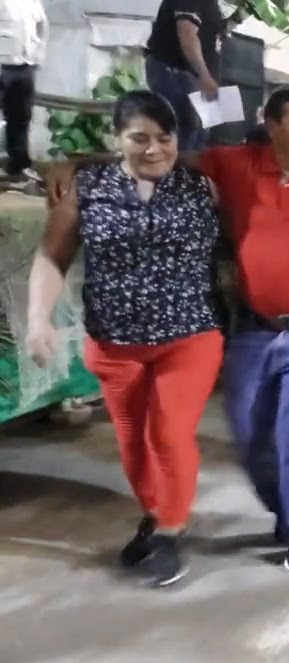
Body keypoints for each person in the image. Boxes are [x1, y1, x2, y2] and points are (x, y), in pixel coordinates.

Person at [25, 91, 223, 587]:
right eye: (138, 138)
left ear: (178, 140)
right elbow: (53, 257)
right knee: (134, 445)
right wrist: (37, 320)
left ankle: (172, 533)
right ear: (118, 140)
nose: (153, 148)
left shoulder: (205, 186)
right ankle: (155, 515)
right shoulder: (86, 187)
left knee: (169, 434)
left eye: (164, 137)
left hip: (190, 335)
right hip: (113, 342)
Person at [144, 0, 224, 151]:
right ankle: (175, 171)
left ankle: (187, 171)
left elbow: (208, 32)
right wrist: (205, 76)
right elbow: (187, 34)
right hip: (177, 71)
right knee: (185, 127)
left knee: (201, 132)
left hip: (194, 74)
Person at [0, 0, 46, 184]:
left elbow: (43, 27)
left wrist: (39, 57)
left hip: (25, 65)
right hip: (3, 63)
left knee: (21, 116)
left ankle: (18, 165)